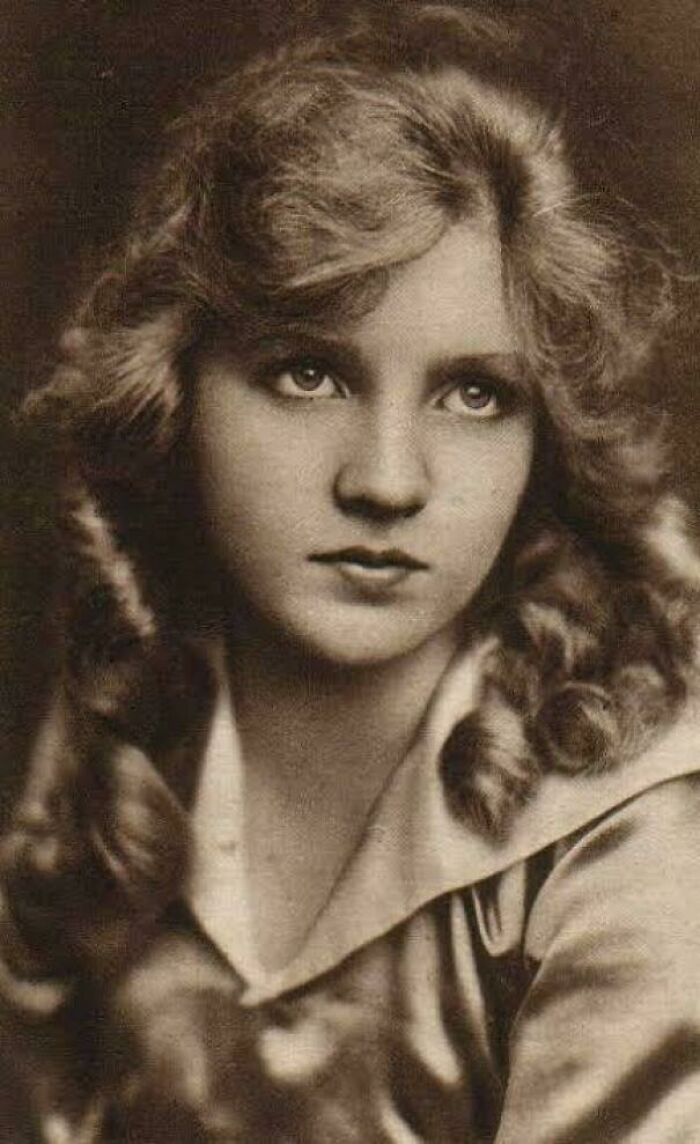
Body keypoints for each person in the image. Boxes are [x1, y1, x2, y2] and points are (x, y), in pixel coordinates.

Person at [2, 3, 700, 1140]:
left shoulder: (642, 831)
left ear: (546, 439)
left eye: (475, 393)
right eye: (306, 374)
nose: (387, 482)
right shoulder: (139, 687)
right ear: (174, 389)